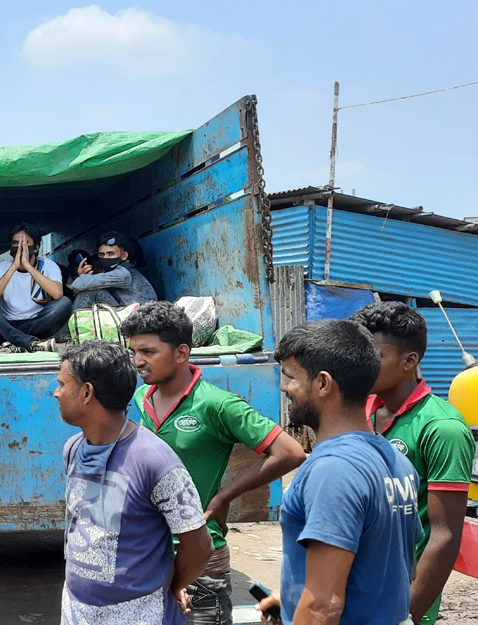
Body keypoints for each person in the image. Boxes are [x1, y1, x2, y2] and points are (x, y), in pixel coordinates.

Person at [124, 302, 306, 625]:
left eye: (148, 352)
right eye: (134, 351)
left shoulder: (217, 405)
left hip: (201, 562)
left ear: (181, 353)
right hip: (153, 556)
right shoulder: (142, 398)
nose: (138, 361)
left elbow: (290, 453)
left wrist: (224, 498)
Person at [258, 319, 422, 625]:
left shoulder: (333, 471)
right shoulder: (397, 462)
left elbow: (323, 605)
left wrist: (307, 608)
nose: (283, 387)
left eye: (290, 377)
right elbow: (390, 568)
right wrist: (293, 598)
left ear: (322, 383)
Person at [55, 340, 213, 624]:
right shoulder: (73, 449)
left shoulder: (155, 460)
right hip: (78, 610)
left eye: (63, 385)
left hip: (139, 614)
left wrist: (172, 587)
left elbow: (199, 546)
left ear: (87, 392)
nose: (56, 393)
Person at [350, 302, 474, 625]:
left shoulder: (442, 428)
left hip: (402, 596)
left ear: (410, 361)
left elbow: (445, 535)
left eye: (374, 356)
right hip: (356, 587)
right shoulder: (360, 412)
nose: (362, 364)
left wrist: (406, 611)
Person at [0, 223, 72, 352]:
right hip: (7, 322)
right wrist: (14, 267)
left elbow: (57, 294)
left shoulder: (49, 266)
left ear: (36, 247)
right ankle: (29, 342)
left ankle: (12, 341)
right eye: (15, 243)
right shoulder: (1, 268)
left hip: (38, 322)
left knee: (64, 303)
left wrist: (28, 267)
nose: (20, 247)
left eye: (25, 243)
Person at [68, 231, 158, 310]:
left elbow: (79, 285)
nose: (105, 258)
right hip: (129, 315)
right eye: (101, 254)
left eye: (110, 254)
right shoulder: (118, 271)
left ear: (124, 256)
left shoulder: (124, 273)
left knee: (91, 291)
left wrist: (81, 277)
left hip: (139, 321)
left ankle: (72, 328)